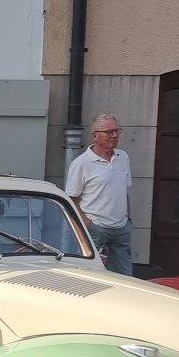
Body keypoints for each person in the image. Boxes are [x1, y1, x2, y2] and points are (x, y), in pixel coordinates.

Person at [66, 113, 133, 276]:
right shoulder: (81, 163)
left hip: (121, 226)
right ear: (95, 136)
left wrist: (128, 218)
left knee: (124, 275)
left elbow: (124, 190)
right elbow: (71, 197)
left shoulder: (123, 157)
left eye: (117, 131)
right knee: (88, 273)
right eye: (109, 132)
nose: (114, 135)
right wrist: (86, 222)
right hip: (95, 226)